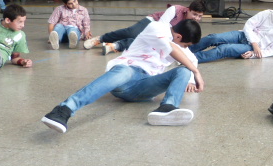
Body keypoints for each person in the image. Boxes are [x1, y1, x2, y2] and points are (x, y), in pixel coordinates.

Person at [41, 19, 203, 133]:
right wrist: (196, 72)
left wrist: (190, 78)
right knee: (125, 71)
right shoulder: (157, 27)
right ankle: (65, 109)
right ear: (178, 36)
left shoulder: (180, 45)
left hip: (144, 87)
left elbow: (191, 60)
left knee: (184, 70)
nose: (185, 48)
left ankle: (167, 108)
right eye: (185, 45)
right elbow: (172, 48)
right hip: (126, 76)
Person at [84, 0, 205, 55]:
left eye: (200, 16)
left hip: (166, 36)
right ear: (188, 10)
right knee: (131, 33)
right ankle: (100, 39)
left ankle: (115, 46)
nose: (196, 18)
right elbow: (161, 25)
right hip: (153, 23)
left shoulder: (192, 25)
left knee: (145, 43)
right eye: (194, 14)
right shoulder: (175, 9)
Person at [190, 1, 273, 62]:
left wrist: (253, 54)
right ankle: (186, 50)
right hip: (243, 35)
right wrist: (254, 43)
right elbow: (249, 25)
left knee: (224, 49)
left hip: (251, 48)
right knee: (214, 37)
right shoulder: (267, 14)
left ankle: (189, 59)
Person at [0, 4, 32, 71]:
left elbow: (15, 58)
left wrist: (22, 61)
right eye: (20, 22)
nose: (23, 25)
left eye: (23, 22)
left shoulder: (20, 35)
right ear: (8, 20)